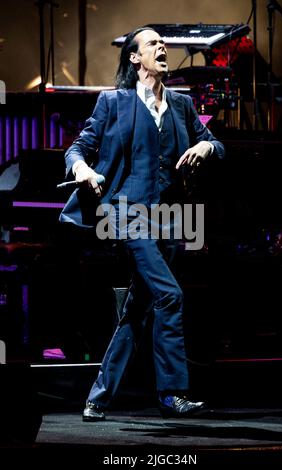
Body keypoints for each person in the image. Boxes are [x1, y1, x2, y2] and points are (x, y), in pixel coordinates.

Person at [59, 26, 225, 420]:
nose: (161, 47)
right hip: (126, 213)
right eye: (152, 43)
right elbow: (77, 148)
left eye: (162, 43)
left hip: (171, 218)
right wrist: (82, 169)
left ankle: (97, 397)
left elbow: (217, 146)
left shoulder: (182, 106)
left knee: (139, 308)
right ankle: (172, 393)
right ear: (135, 58)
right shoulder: (112, 102)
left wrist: (205, 145)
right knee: (170, 295)